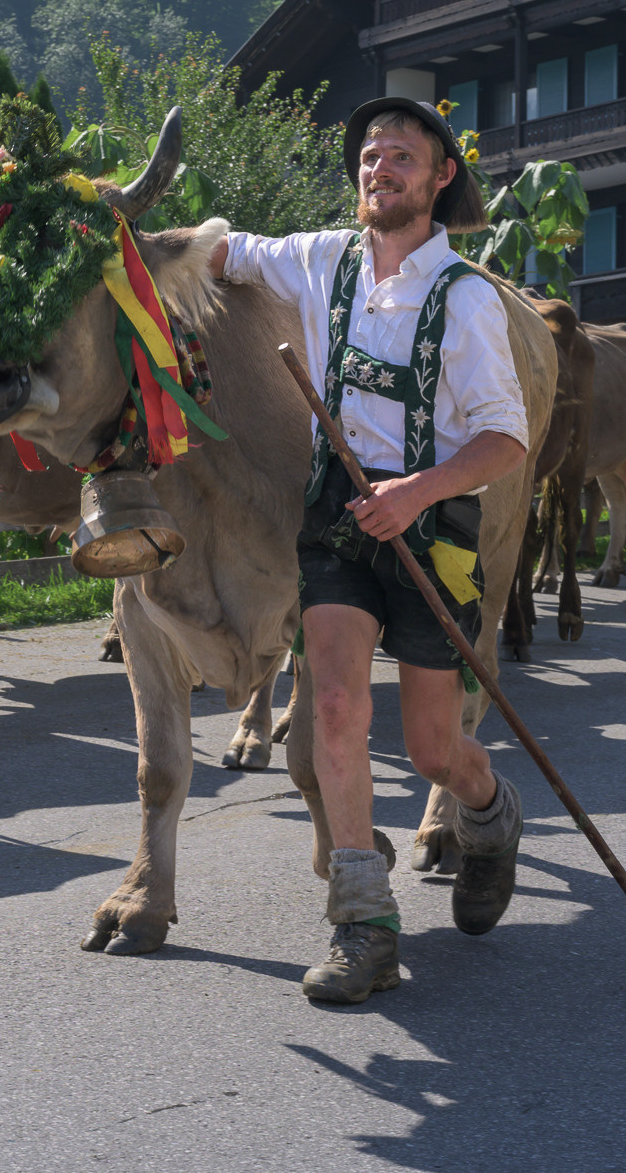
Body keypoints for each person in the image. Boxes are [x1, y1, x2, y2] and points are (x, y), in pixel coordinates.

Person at [207, 97, 532, 1005]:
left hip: (433, 530)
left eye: (400, 157)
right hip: (338, 521)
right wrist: (121, 228)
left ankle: (490, 817)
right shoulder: (322, 259)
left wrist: (415, 492)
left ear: (440, 177)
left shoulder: (466, 298)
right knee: (337, 706)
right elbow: (225, 251)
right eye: (369, 155)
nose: (378, 168)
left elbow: (506, 440)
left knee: (433, 751)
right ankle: (364, 924)